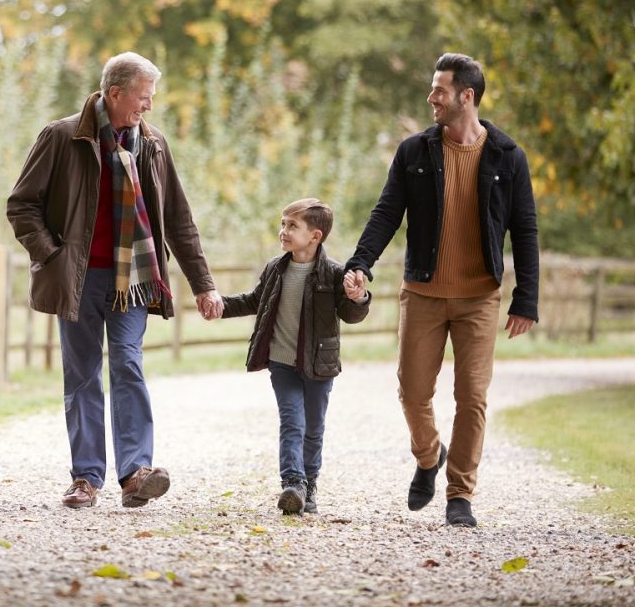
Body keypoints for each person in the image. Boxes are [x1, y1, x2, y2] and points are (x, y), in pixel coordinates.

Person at [7, 52, 224, 509]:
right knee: (83, 375)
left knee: (128, 363)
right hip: (79, 280)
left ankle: (134, 473)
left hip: (134, 280)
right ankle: (85, 478)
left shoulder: (154, 145)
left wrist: (203, 284)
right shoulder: (62, 137)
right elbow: (21, 204)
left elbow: (179, 221)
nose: (148, 107)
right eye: (143, 98)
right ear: (115, 93)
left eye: (152, 99)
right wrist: (53, 255)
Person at [344, 52, 540, 528]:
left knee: (472, 397)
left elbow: (526, 228)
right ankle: (429, 456)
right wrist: (360, 264)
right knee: (413, 393)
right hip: (423, 293)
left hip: (479, 297)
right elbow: (387, 212)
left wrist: (526, 298)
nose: (432, 97)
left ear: (466, 96)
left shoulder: (507, 156)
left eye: (440, 90)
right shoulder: (415, 151)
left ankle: (460, 495)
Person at [216, 198, 370, 515]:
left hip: (319, 365)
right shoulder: (276, 268)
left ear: (315, 236)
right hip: (282, 362)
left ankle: (310, 484)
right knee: (292, 422)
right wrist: (220, 305)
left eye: (292, 225)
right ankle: (293, 483)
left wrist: (359, 298)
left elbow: (352, 314)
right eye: (283, 224)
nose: (283, 231)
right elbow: (255, 300)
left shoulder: (333, 273)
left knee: (313, 428)